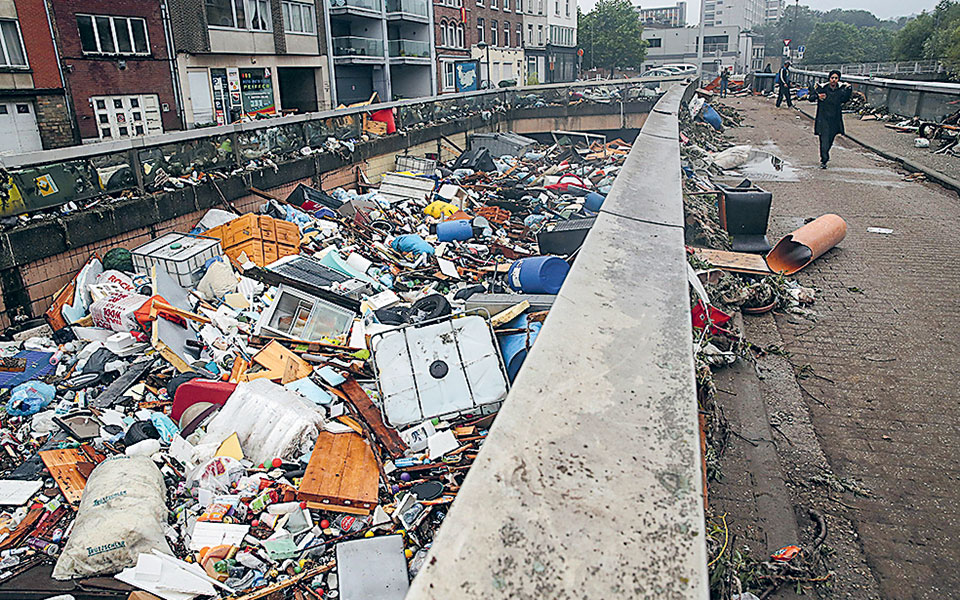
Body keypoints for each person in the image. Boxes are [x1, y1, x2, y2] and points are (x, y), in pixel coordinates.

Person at [808, 69, 852, 168]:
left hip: (835, 118)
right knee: (824, 138)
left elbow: (845, 99)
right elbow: (811, 98)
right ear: (829, 79)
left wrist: (849, 90)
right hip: (823, 118)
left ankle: (825, 154)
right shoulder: (822, 88)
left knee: (830, 138)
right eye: (832, 78)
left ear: (838, 79)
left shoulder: (841, 90)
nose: (834, 80)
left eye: (836, 78)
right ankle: (824, 159)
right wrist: (818, 96)